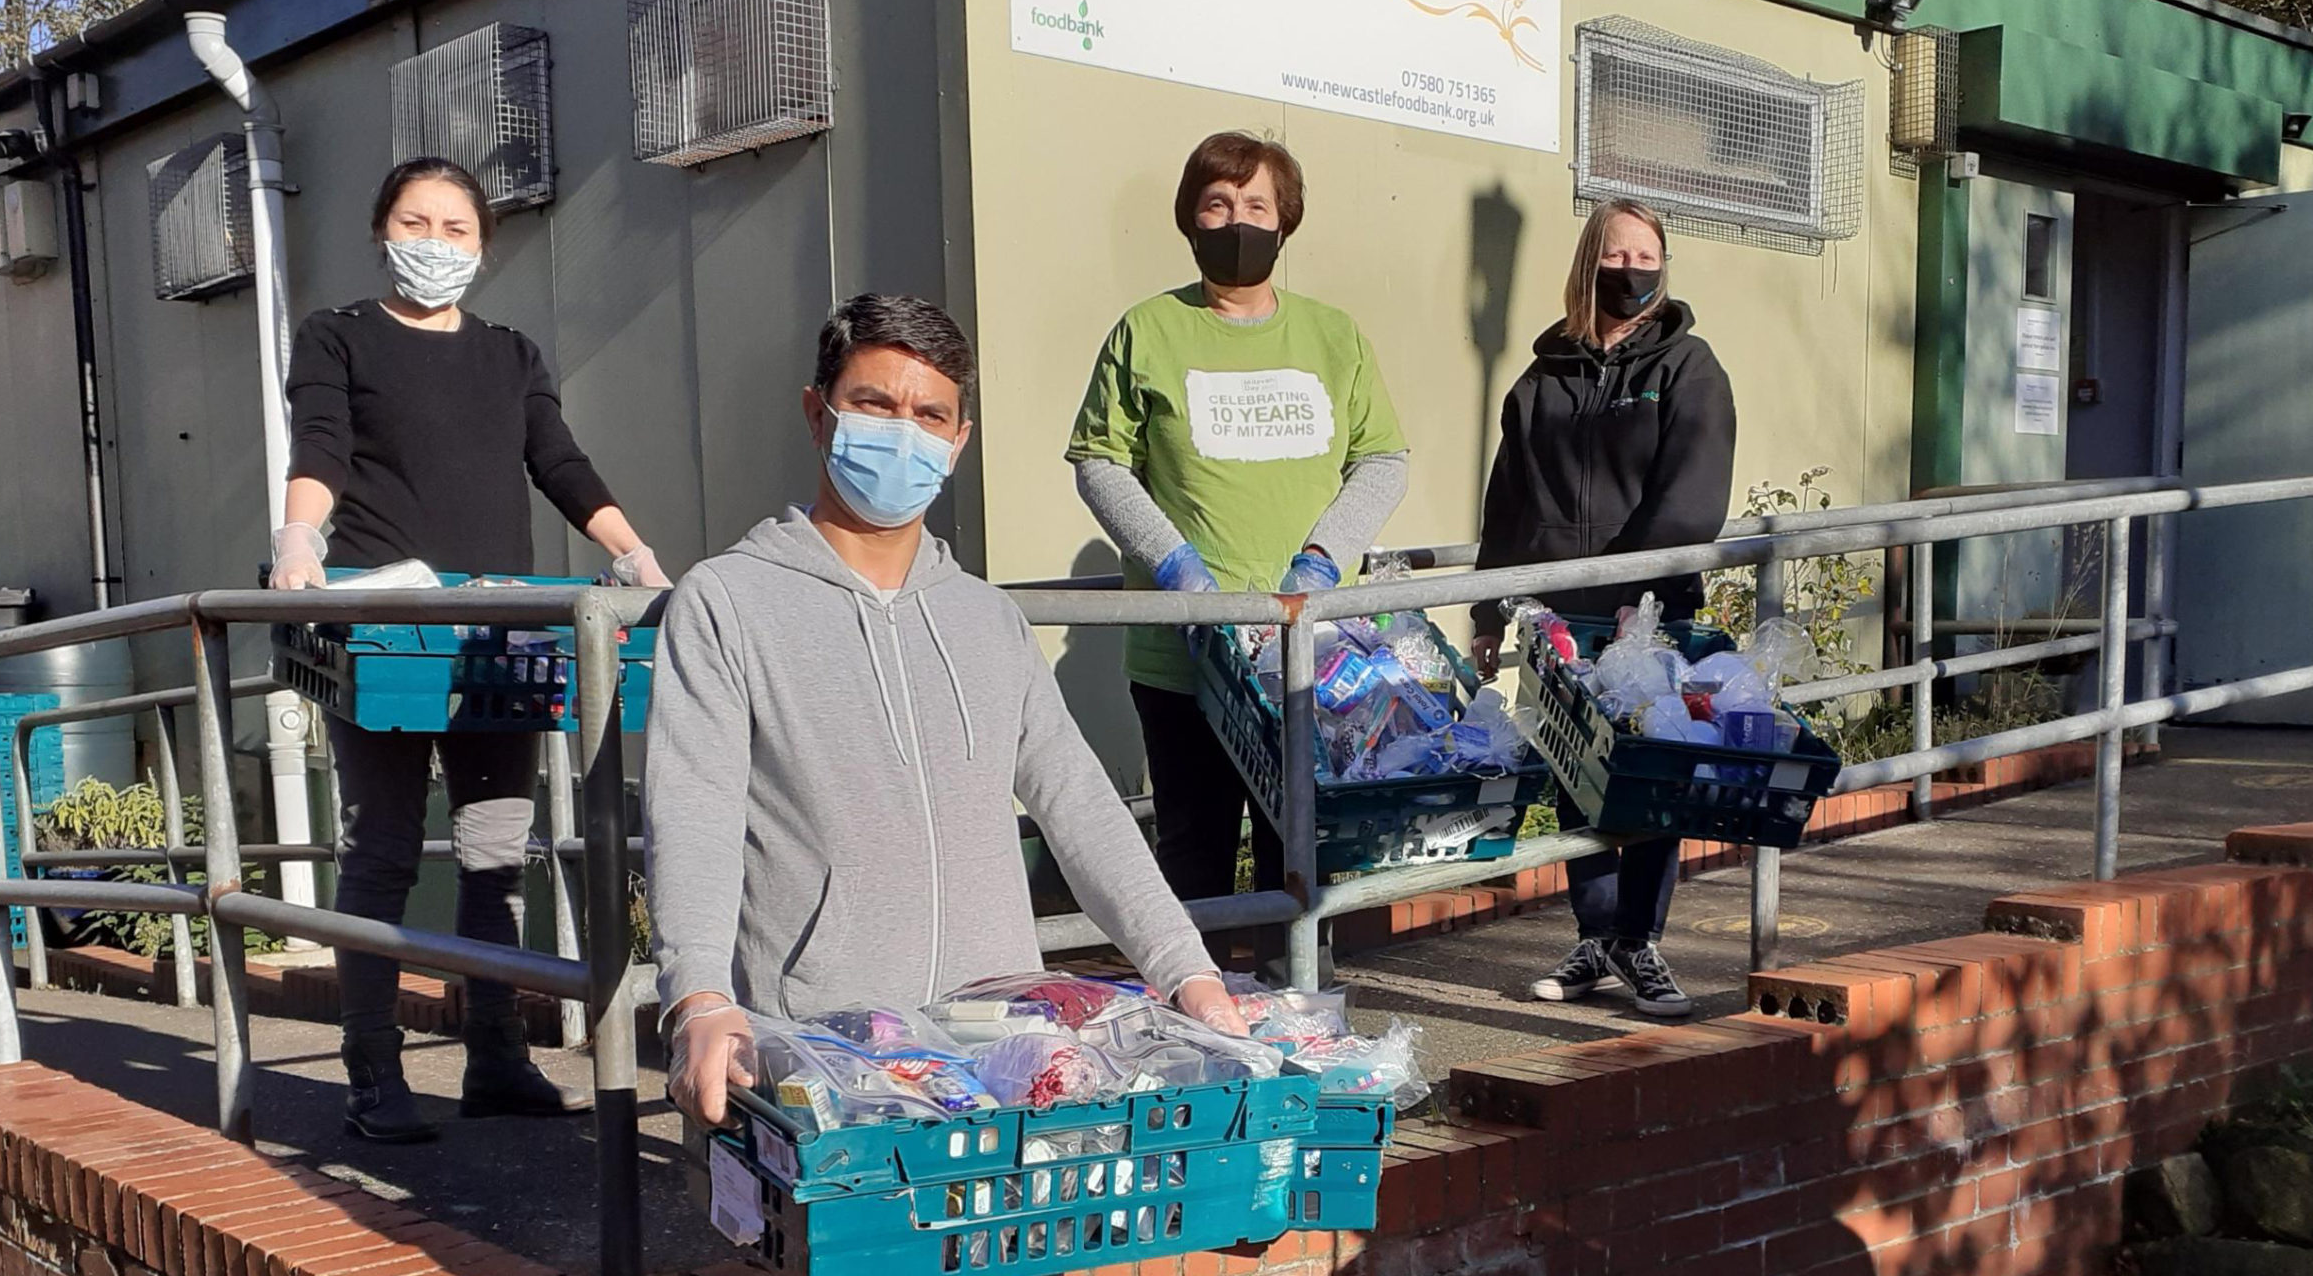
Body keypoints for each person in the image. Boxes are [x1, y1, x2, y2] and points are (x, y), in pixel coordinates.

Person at [645, 293, 1246, 1128]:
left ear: (958, 441)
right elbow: (695, 816)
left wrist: (1189, 971)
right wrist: (701, 999)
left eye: (931, 415)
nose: (904, 431)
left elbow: (1078, 804)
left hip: (997, 1056)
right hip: (824, 1058)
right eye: (874, 405)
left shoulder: (988, 619)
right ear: (818, 415)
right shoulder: (727, 602)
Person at [271, 156, 671, 1142]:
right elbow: (319, 446)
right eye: (417, 222)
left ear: (483, 247)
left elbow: (558, 461)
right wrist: (297, 535)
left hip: (499, 631)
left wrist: (633, 552)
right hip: (385, 625)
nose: (435, 244)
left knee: (497, 855)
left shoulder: (509, 355)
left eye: (457, 229)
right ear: (381, 230)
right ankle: (374, 1071)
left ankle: (497, 1057)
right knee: (385, 848)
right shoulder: (339, 337)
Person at [1068, 131, 1409, 907]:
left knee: (1308, 856)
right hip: (1184, 657)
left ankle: (1301, 1017)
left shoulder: (1334, 335)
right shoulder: (1146, 332)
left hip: (1313, 654)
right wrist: (1176, 567)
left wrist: (1323, 559)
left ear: (1285, 221)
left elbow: (1382, 459)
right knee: (1196, 850)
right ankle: (1205, 1017)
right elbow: (1099, 461)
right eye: (1217, 204)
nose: (1237, 221)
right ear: (1189, 220)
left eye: (1257, 204)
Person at [1469, 198, 1737, 1019]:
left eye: (1645, 255)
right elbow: (1506, 506)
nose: (1631, 270)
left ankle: (1640, 939)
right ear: (1590, 263)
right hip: (1560, 620)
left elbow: (1691, 502)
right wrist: (1485, 612)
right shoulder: (1539, 381)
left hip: (1649, 619)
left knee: (1652, 777)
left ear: (1664, 267)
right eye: (1616, 255)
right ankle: (1597, 934)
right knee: (1578, 772)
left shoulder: (1687, 370)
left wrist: (1639, 600)